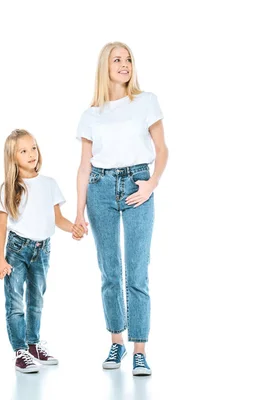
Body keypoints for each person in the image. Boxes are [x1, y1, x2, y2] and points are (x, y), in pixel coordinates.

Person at [74, 42, 169, 376]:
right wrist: (78, 213)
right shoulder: (91, 115)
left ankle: (139, 349)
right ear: (106, 66)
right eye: (117, 60)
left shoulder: (146, 101)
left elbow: (161, 149)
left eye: (128, 59)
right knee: (110, 271)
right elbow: (84, 167)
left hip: (137, 186)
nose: (125, 64)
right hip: (100, 189)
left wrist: (152, 182)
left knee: (137, 270)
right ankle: (117, 341)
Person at [0, 129, 85, 373]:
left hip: (42, 250)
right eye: (23, 151)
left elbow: (57, 219)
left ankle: (33, 344)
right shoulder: (9, 188)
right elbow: (1, 226)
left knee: (36, 299)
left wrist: (73, 228)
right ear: (13, 157)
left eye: (33, 147)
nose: (31, 154)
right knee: (15, 301)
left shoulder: (49, 184)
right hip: (17, 249)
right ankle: (20, 350)